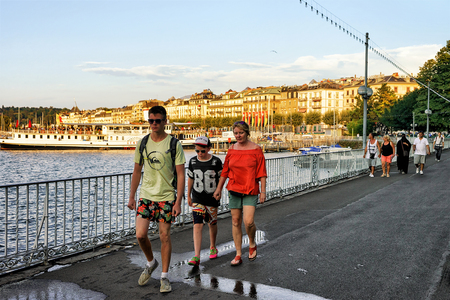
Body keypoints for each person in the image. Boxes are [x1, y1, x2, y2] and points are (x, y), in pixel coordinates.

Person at [127, 106, 185, 293]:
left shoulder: (174, 144)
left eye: (157, 120)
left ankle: (164, 277)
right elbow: (137, 171)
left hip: (166, 197)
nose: (153, 124)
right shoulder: (143, 143)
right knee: (140, 235)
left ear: (165, 121)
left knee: (164, 236)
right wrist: (132, 196)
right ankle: (151, 262)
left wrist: (178, 201)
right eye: (151, 120)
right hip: (146, 196)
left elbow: (181, 174)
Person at [213, 121, 267, 266]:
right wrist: (218, 189)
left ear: (247, 132)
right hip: (234, 189)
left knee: (248, 222)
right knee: (235, 221)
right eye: (236, 133)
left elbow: (262, 172)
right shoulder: (231, 150)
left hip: (250, 189)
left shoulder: (256, 149)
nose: (238, 136)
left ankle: (251, 242)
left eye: (241, 133)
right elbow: (225, 171)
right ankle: (238, 253)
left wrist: (263, 191)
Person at [187, 136, 223, 267]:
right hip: (197, 198)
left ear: (208, 148)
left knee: (212, 223)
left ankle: (213, 246)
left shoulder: (216, 161)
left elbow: (221, 178)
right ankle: (196, 255)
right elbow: (190, 178)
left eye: (202, 151)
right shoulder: (192, 161)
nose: (200, 154)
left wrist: (219, 191)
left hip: (211, 197)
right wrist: (189, 195)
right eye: (197, 151)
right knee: (197, 224)